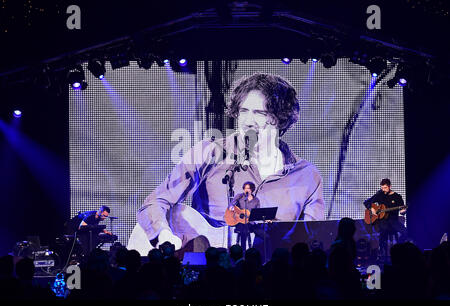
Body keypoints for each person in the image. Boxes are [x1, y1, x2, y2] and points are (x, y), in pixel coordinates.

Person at [134, 73, 325, 252]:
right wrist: (165, 236)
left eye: (259, 113)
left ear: (281, 118)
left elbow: (314, 241)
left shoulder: (307, 177)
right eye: (243, 111)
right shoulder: (209, 152)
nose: (248, 121)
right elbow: (155, 202)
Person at [363, 179, 407, 258]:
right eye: (382, 188)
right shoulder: (380, 194)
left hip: (393, 221)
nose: (383, 190)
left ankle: (399, 248)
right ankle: (382, 255)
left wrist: (403, 211)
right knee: (383, 232)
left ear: (390, 186)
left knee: (405, 232)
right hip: (383, 221)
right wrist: (372, 209)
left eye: (385, 188)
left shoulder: (397, 197)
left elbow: (402, 211)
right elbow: (366, 202)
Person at [230, 181, 260, 251]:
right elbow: (231, 205)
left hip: (251, 222)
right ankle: (243, 251)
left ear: (252, 189)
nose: (246, 190)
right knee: (244, 229)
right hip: (240, 222)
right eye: (245, 188)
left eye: (248, 188)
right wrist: (232, 208)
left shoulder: (256, 200)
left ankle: (254, 251)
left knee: (262, 233)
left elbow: (257, 212)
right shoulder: (239, 196)